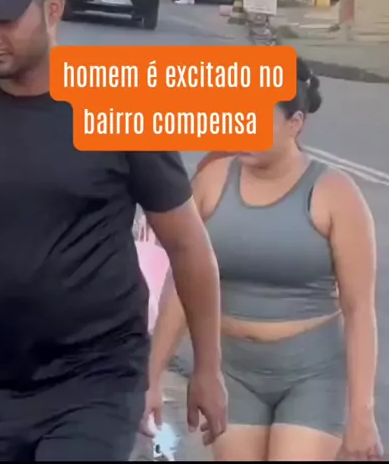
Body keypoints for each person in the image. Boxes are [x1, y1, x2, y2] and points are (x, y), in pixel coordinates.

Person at [0, 0, 227, 462]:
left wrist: (209, 369)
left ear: (53, 9)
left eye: (5, 21)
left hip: (97, 378)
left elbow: (189, 246)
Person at [144, 57, 381, 462]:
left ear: (295, 123)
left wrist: (362, 413)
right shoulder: (211, 182)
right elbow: (182, 288)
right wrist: (151, 378)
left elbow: (359, 310)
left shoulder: (335, 194)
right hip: (233, 374)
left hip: (312, 376)